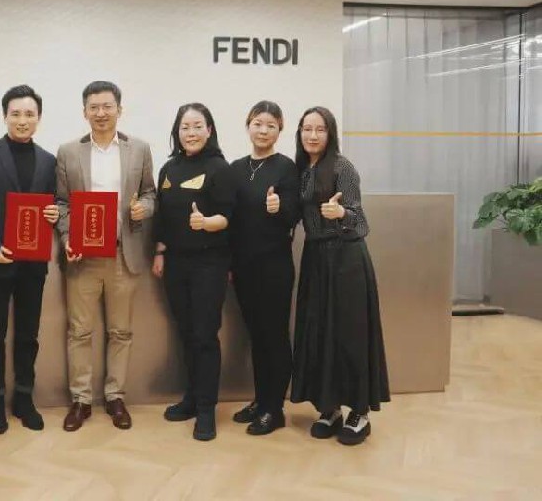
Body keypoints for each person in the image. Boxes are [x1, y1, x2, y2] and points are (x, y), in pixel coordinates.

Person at [55, 81, 155, 431]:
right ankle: (81, 400)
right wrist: (67, 237)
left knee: (121, 331)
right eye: (94, 107)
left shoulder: (139, 149)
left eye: (107, 106)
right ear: (84, 112)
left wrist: (144, 208)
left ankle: (115, 396)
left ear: (119, 110)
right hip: (83, 256)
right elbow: (61, 203)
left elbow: (150, 193)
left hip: (124, 254)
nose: (101, 113)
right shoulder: (68, 152)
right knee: (79, 331)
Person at [0, 85, 59, 434]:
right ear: (5, 116)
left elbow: (56, 206)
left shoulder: (48, 161)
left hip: (33, 265)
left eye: (29, 114)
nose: (22, 120)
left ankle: (24, 398)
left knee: (28, 334)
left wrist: (53, 214)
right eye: (15, 114)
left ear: (39, 118)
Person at [291, 106, 390, 446]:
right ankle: (329, 407)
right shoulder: (302, 169)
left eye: (320, 129)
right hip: (316, 259)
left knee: (350, 335)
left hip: (346, 259)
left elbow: (361, 223)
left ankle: (359, 413)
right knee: (320, 332)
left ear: (330, 133)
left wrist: (341, 212)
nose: (312, 135)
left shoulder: (342, 167)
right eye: (307, 129)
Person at [152, 103, 235, 442]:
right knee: (186, 333)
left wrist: (206, 223)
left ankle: (206, 409)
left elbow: (229, 217)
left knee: (204, 335)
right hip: (175, 264)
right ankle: (190, 398)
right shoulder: (168, 168)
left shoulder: (219, 168)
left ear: (209, 130)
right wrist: (159, 251)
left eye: (198, 126)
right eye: (185, 127)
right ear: (177, 132)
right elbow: (161, 216)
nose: (191, 133)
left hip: (209, 264)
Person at [228, 101, 300, 436]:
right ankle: (261, 400)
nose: (263, 130)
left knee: (274, 336)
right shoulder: (236, 168)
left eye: (271, 125)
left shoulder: (286, 167)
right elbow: (230, 220)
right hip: (244, 267)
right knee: (256, 336)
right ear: (248, 126)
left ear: (279, 130)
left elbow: (294, 215)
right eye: (258, 123)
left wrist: (279, 206)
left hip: (274, 266)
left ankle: (275, 408)